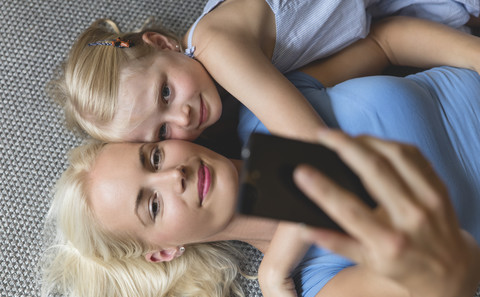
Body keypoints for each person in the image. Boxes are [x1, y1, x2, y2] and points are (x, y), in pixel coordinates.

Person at [42, 60, 480, 297]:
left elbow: (385, 42)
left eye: (154, 157)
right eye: (152, 205)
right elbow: (448, 285)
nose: (173, 176)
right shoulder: (318, 291)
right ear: (162, 251)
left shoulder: (262, 105)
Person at [53, 0, 480, 145]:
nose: (181, 119)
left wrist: (275, 265)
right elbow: (384, 39)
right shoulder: (236, 83)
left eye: (165, 94)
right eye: (161, 134)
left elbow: (312, 141)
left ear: (163, 44)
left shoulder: (218, 47)